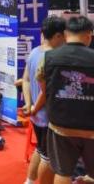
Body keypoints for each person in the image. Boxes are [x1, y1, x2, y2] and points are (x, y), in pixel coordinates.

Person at [37, 16, 94, 184]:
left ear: (66, 34)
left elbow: (44, 89)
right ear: (89, 35)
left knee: (63, 172)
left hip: (60, 126)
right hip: (91, 127)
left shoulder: (48, 57)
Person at [22, 16, 66, 184]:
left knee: (40, 150)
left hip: (36, 115)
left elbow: (25, 79)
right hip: (47, 116)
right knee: (49, 157)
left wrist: (29, 105)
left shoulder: (34, 52)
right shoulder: (52, 57)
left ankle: (29, 182)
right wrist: (34, 107)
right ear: (57, 35)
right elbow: (46, 91)